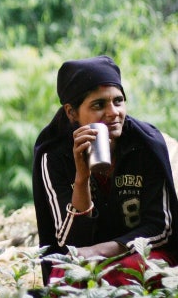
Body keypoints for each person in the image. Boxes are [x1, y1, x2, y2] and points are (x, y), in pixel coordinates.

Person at [32, 55, 178, 287]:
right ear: (71, 112)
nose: (113, 112)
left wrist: (100, 250)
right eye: (99, 105)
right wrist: (81, 179)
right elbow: (68, 242)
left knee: (134, 272)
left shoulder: (146, 145)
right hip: (86, 262)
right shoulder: (55, 155)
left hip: (141, 255)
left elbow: (161, 227)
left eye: (118, 101)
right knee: (64, 279)